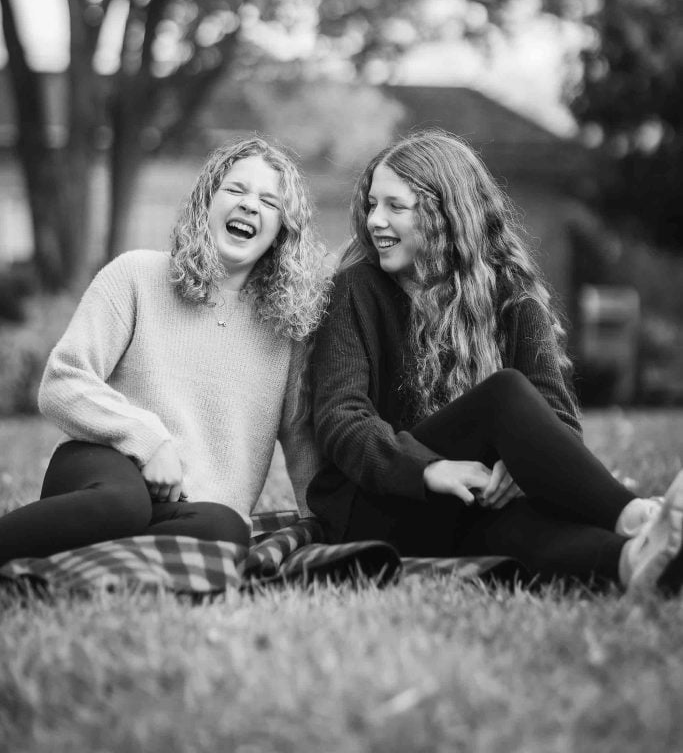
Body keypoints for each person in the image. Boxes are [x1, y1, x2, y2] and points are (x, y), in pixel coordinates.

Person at [307, 129, 683, 595]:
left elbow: (556, 414)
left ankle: (632, 561)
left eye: (394, 207)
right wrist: (427, 469)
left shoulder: (511, 293)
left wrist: (519, 469)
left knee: (520, 528)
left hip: (470, 507)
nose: (374, 221)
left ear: (446, 214)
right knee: (503, 393)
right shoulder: (356, 290)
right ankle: (632, 515)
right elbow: (341, 418)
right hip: (377, 508)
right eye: (371, 204)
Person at [0, 136, 329, 566]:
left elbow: (301, 439)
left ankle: (78, 560)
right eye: (235, 190)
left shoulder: (287, 327)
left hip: (187, 507)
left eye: (269, 201)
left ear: (283, 227)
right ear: (205, 204)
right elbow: (62, 382)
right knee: (124, 505)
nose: (250, 205)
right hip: (103, 467)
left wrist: (321, 524)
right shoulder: (136, 275)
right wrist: (149, 441)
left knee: (225, 533)